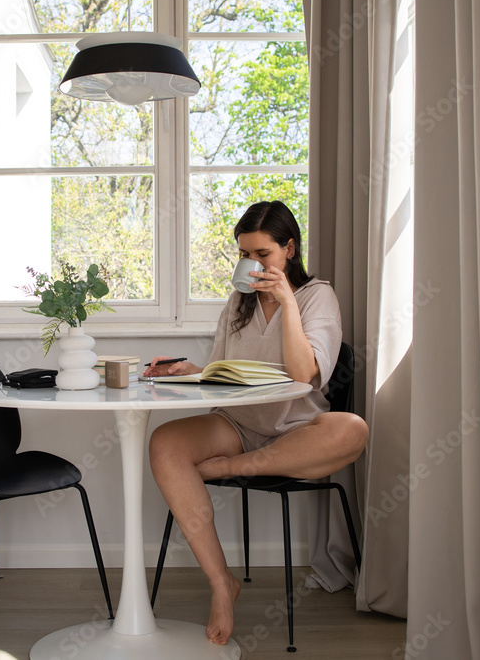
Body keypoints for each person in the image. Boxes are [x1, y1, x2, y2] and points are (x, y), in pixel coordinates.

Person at [144, 200, 369, 646]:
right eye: (244, 254)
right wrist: (192, 370)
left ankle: (232, 468)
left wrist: (286, 301)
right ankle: (221, 582)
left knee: (353, 429)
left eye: (262, 254)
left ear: (289, 249)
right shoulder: (238, 301)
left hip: (297, 429)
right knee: (164, 443)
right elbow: (224, 370)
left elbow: (305, 374)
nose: (252, 264)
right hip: (238, 423)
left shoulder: (316, 296)